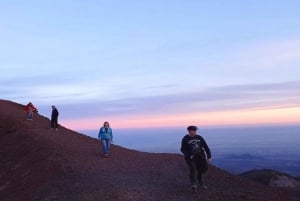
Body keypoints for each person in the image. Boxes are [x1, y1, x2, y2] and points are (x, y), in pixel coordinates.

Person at [181, 125, 212, 192]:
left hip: (200, 156)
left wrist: (209, 156)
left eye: (195, 130)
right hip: (191, 158)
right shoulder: (185, 139)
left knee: (202, 169)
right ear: (189, 131)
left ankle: (201, 183)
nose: (195, 132)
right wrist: (189, 155)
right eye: (193, 130)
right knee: (193, 169)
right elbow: (183, 149)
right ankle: (194, 185)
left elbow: (206, 147)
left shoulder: (199, 137)